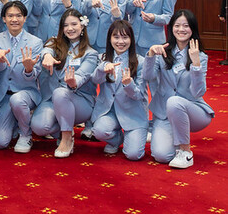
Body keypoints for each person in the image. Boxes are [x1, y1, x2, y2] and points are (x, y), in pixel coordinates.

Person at [144, 10, 214, 168]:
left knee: (174, 101)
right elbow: (148, 77)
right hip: (164, 113)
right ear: (171, 28)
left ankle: (185, 152)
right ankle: (163, 133)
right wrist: (150, 55)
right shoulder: (163, 52)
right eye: (177, 25)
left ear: (192, 29)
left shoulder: (200, 56)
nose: (181, 29)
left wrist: (196, 65)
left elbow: (198, 92)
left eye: (186, 26)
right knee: (161, 155)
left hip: (193, 110)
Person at [31, 9, 99, 157]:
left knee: (60, 92)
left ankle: (67, 138)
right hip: (51, 100)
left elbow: (82, 76)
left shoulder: (90, 53)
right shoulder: (54, 43)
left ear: (82, 26)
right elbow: (46, 51)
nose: (70, 28)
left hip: (79, 101)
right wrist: (47, 56)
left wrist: (73, 82)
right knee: (39, 127)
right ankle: (63, 129)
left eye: (74, 24)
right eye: (66, 25)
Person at [0, 1, 43, 153]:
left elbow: (34, 75)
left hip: (26, 93)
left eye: (19, 16)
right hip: (3, 96)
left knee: (18, 100)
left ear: (25, 18)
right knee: (0, 142)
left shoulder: (35, 42)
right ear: (4, 19)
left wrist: (29, 69)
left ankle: (26, 134)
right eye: (10, 16)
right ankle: (15, 121)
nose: (14, 19)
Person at [91, 20, 148, 160]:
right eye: (116, 37)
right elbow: (95, 80)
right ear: (109, 38)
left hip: (133, 114)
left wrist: (129, 84)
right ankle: (117, 139)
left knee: (133, 155)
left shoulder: (140, 61)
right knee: (99, 131)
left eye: (125, 37)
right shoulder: (102, 58)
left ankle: (135, 135)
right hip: (110, 112)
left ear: (131, 39)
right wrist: (102, 69)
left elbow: (139, 95)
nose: (120, 42)